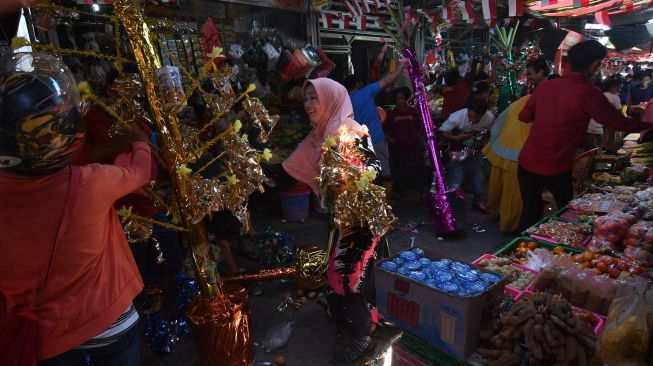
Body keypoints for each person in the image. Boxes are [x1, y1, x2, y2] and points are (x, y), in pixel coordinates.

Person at [0, 54, 151, 365]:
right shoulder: (91, 183)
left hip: (44, 338)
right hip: (108, 322)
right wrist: (140, 142)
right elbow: (140, 172)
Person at [269, 78, 382, 363]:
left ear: (330, 99)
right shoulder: (320, 134)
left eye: (313, 98)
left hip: (359, 217)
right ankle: (355, 321)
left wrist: (348, 178)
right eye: (306, 98)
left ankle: (363, 340)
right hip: (340, 218)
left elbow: (372, 168)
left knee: (345, 277)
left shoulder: (350, 130)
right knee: (345, 275)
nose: (308, 105)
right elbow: (292, 167)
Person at [517, 40, 652, 231]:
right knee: (564, 212)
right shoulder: (588, 93)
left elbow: (524, 116)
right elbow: (617, 122)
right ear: (595, 64)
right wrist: (648, 123)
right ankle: (546, 248)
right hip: (556, 164)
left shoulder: (546, 87)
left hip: (528, 161)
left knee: (530, 211)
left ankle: (521, 250)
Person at [482, 59, 549, 233]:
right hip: (517, 146)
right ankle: (509, 222)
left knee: (511, 187)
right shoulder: (532, 96)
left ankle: (507, 220)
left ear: (541, 72)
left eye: (531, 74)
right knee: (512, 188)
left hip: (516, 146)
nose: (529, 77)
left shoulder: (540, 95)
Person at [344, 63, 405, 186]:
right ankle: (386, 200)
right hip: (376, 138)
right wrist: (400, 68)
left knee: (366, 173)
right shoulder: (365, 92)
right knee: (385, 170)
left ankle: (371, 200)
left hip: (359, 142)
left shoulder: (345, 100)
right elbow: (386, 80)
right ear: (357, 84)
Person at [440, 97, 495, 211]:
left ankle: (476, 202)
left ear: (483, 115)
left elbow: (488, 132)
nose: (472, 120)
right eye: (470, 116)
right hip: (455, 151)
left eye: (476, 118)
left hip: (472, 151)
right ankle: (452, 207)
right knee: (456, 178)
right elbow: (442, 133)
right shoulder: (457, 117)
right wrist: (456, 138)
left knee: (479, 176)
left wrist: (481, 142)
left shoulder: (489, 118)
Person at [384, 87, 424, 198]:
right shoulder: (392, 114)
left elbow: (418, 128)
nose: (400, 101)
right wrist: (391, 140)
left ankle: (415, 193)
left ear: (406, 99)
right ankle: (399, 194)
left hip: (412, 148)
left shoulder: (413, 111)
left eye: (402, 98)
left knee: (413, 171)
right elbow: (386, 131)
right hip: (398, 150)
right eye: (398, 98)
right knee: (399, 172)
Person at [584, 77, 623, 152]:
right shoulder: (615, 97)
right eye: (619, 87)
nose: (619, 89)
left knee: (588, 152)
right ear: (613, 87)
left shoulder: (602, 94)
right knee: (596, 152)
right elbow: (619, 113)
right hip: (597, 128)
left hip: (588, 126)